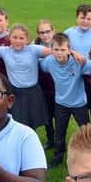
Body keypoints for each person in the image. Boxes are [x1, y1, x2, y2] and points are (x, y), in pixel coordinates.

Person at [0, 23, 51, 132]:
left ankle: (32, 143)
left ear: (27, 39)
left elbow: (56, 52)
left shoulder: (34, 49)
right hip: (15, 93)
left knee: (32, 123)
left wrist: (73, 53)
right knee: (17, 124)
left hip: (32, 93)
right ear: (9, 37)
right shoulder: (5, 51)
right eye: (15, 37)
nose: (18, 41)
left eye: (21, 38)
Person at [40, 33, 91, 168]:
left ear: (69, 50)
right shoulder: (48, 62)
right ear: (51, 50)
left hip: (79, 103)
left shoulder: (79, 61)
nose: (59, 53)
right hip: (61, 103)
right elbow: (36, 60)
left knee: (85, 131)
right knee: (60, 132)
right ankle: (58, 156)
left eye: (63, 50)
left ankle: (89, 156)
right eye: (56, 50)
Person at [35, 19, 57, 149]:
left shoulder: (60, 45)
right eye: (42, 32)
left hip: (59, 88)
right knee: (47, 117)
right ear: (38, 34)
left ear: (53, 31)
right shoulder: (35, 48)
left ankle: (60, 141)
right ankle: (51, 140)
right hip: (43, 88)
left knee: (59, 117)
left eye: (48, 31)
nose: (45, 35)